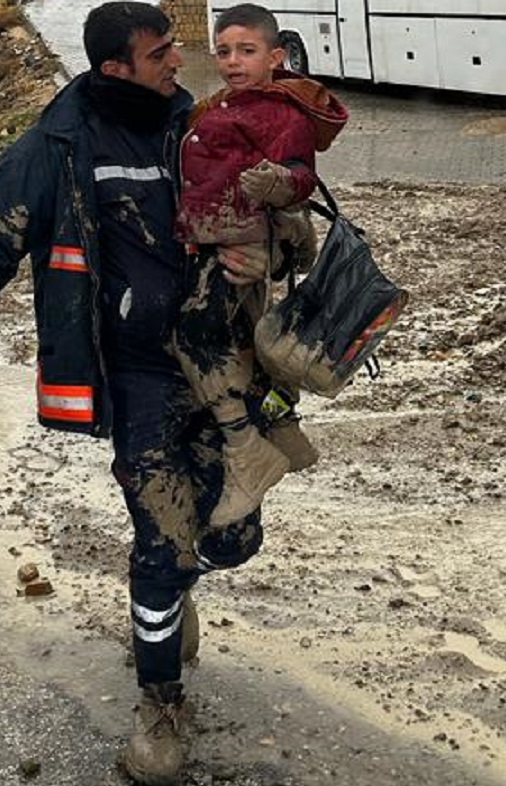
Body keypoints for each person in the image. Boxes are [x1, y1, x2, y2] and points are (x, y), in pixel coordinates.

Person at [0, 2, 293, 786]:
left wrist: (276, 247)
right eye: (159, 55)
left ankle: (179, 592)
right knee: (160, 538)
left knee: (232, 535)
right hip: (137, 379)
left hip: (224, 368)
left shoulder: (200, 124)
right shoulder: (54, 148)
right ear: (115, 67)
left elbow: (277, 216)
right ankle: (160, 707)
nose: (178, 63)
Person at [173, 3, 347, 528]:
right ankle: (284, 428)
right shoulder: (224, 105)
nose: (232, 61)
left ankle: (247, 449)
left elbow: (301, 174)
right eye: (223, 52)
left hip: (236, 247)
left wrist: (281, 187)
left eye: (246, 51)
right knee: (240, 340)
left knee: (197, 337)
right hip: (215, 242)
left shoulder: (280, 111)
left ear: (276, 56)